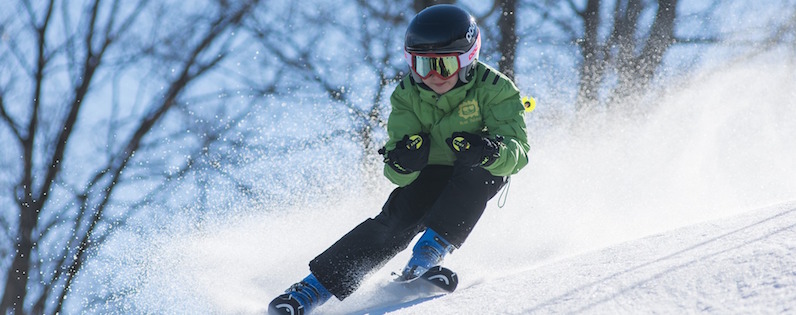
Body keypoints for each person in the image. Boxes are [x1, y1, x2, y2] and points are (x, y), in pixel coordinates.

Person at [268, 4, 529, 314]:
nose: (432, 76)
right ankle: (311, 289)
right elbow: (396, 174)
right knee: (397, 219)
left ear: (468, 58)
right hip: (430, 171)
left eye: (443, 66)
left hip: (477, 168)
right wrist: (404, 161)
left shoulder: (496, 89)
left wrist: (490, 150)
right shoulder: (406, 95)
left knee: (477, 173)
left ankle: (426, 257)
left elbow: (519, 151)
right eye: (421, 66)